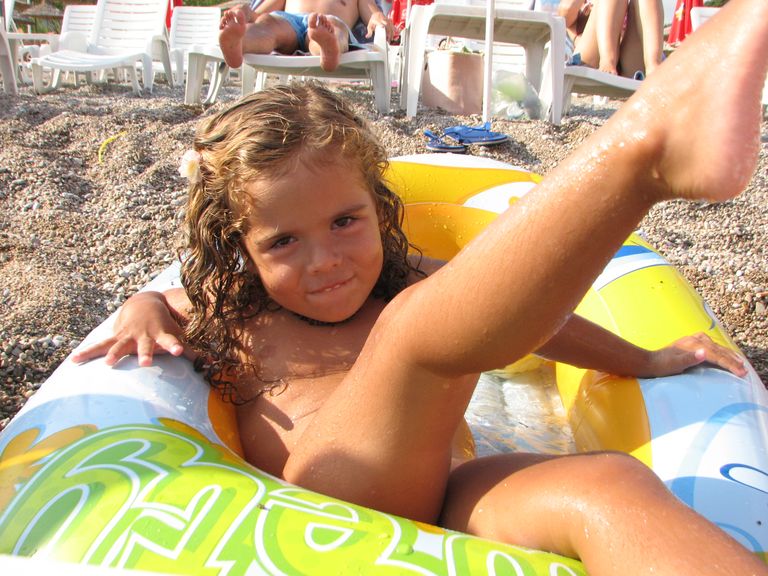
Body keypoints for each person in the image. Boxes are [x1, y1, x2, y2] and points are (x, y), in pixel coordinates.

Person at [73, 0, 768, 572]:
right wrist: (141, 308)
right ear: (241, 251)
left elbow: (540, 324)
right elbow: (161, 302)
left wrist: (645, 359)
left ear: (378, 208)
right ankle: (644, 151)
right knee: (414, 331)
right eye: (283, 242)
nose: (325, 261)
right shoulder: (236, 306)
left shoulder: (405, 282)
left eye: (345, 222)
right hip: (330, 496)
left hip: (448, 490)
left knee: (607, 483)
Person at [217, 0, 392, 71]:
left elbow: (372, 13)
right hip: (289, 20)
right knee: (267, 24)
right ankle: (240, 42)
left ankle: (327, 49)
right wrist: (246, 12)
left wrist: (378, 18)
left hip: (328, 22)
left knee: (334, 30)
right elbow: (259, 15)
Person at [559, 0, 665, 78]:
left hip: (630, 60)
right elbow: (564, 17)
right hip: (592, 60)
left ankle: (654, 66)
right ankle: (607, 62)